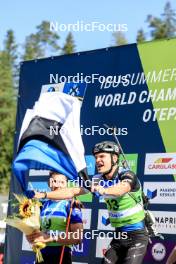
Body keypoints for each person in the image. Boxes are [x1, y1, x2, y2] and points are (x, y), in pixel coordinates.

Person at [35, 141, 149, 264]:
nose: (97, 160)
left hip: (137, 236)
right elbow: (72, 191)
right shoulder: (97, 179)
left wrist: (103, 189)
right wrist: (44, 194)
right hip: (119, 236)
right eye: (96, 157)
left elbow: (121, 189)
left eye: (102, 156)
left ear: (114, 158)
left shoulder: (126, 174)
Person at [26, 171, 83, 264]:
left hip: (61, 255)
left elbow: (77, 237)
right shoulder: (42, 205)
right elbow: (34, 233)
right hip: (41, 256)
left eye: (62, 182)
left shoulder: (72, 205)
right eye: (54, 181)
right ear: (49, 183)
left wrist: (49, 238)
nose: (58, 185)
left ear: (67, 185)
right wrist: (31, 236)